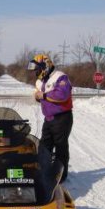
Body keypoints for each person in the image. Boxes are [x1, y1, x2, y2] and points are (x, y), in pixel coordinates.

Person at [28, 53, 73, 182]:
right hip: (49, 118)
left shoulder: (60, 77)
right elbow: (43, 98)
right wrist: (38, 98)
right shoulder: (40, 81)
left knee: (61, 147)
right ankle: (44, 171)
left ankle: (61, 176)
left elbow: (62, 95)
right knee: (44, 146)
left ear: (45, 67)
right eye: (35, 71)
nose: (36, 73)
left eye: (37, 70)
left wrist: (43, 96)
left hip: (62, 118)